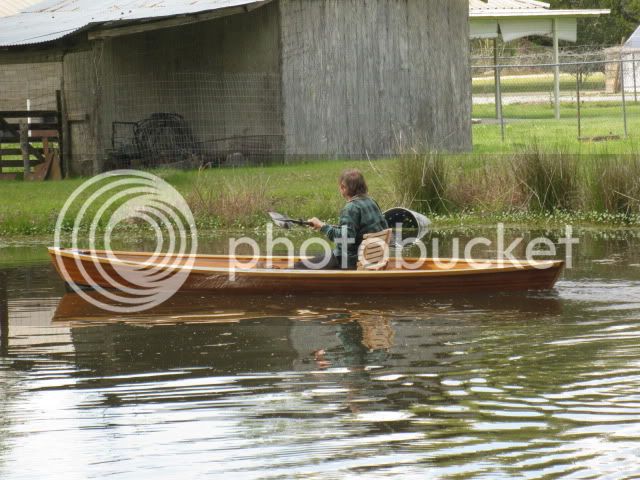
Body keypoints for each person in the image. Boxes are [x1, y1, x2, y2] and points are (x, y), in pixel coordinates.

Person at [296, 169, 388, 270]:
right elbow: (380, 227)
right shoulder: (372, 202)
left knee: (297, 267)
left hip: (348, 261)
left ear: (343, 187)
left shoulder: (351, 208)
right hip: (373, 259)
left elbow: (345, 240)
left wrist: (323, 227)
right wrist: (323, 225)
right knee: (321, 256)